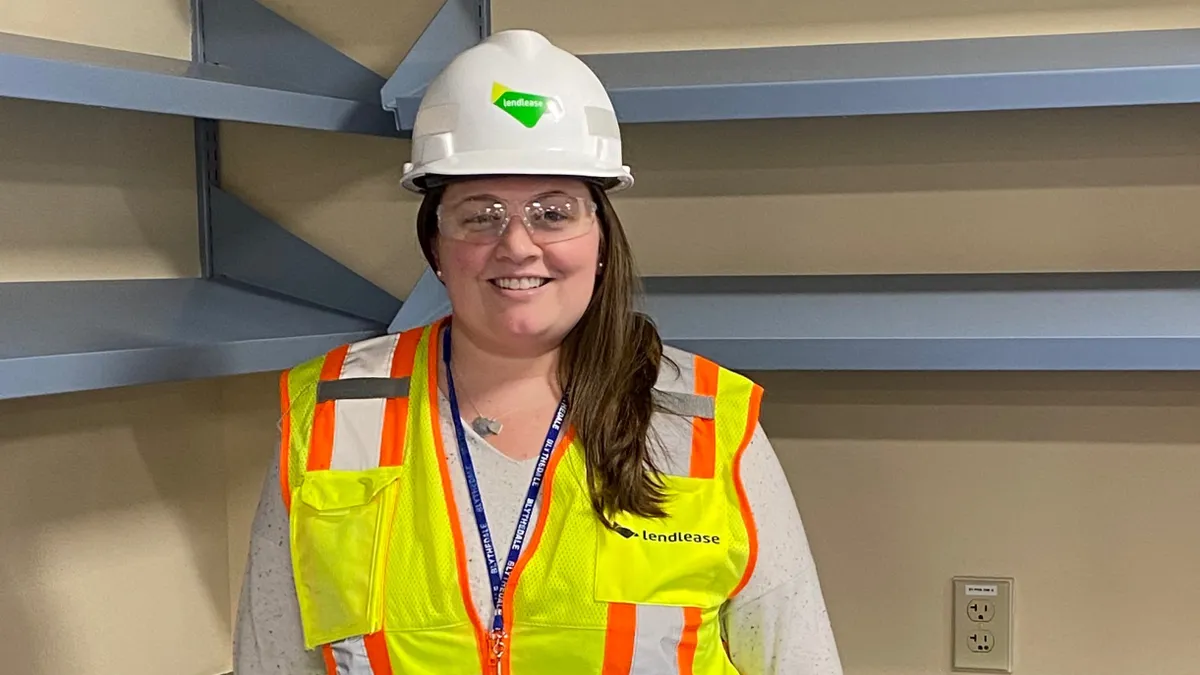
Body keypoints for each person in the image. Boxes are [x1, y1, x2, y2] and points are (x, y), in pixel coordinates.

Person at [233, 28, 843, 675]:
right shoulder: (334, 417)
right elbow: (271, 655)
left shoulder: (704, 424)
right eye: (479, 213)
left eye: (553, 212)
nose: (518, 245)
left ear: (601, 241)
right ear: (436, 245)